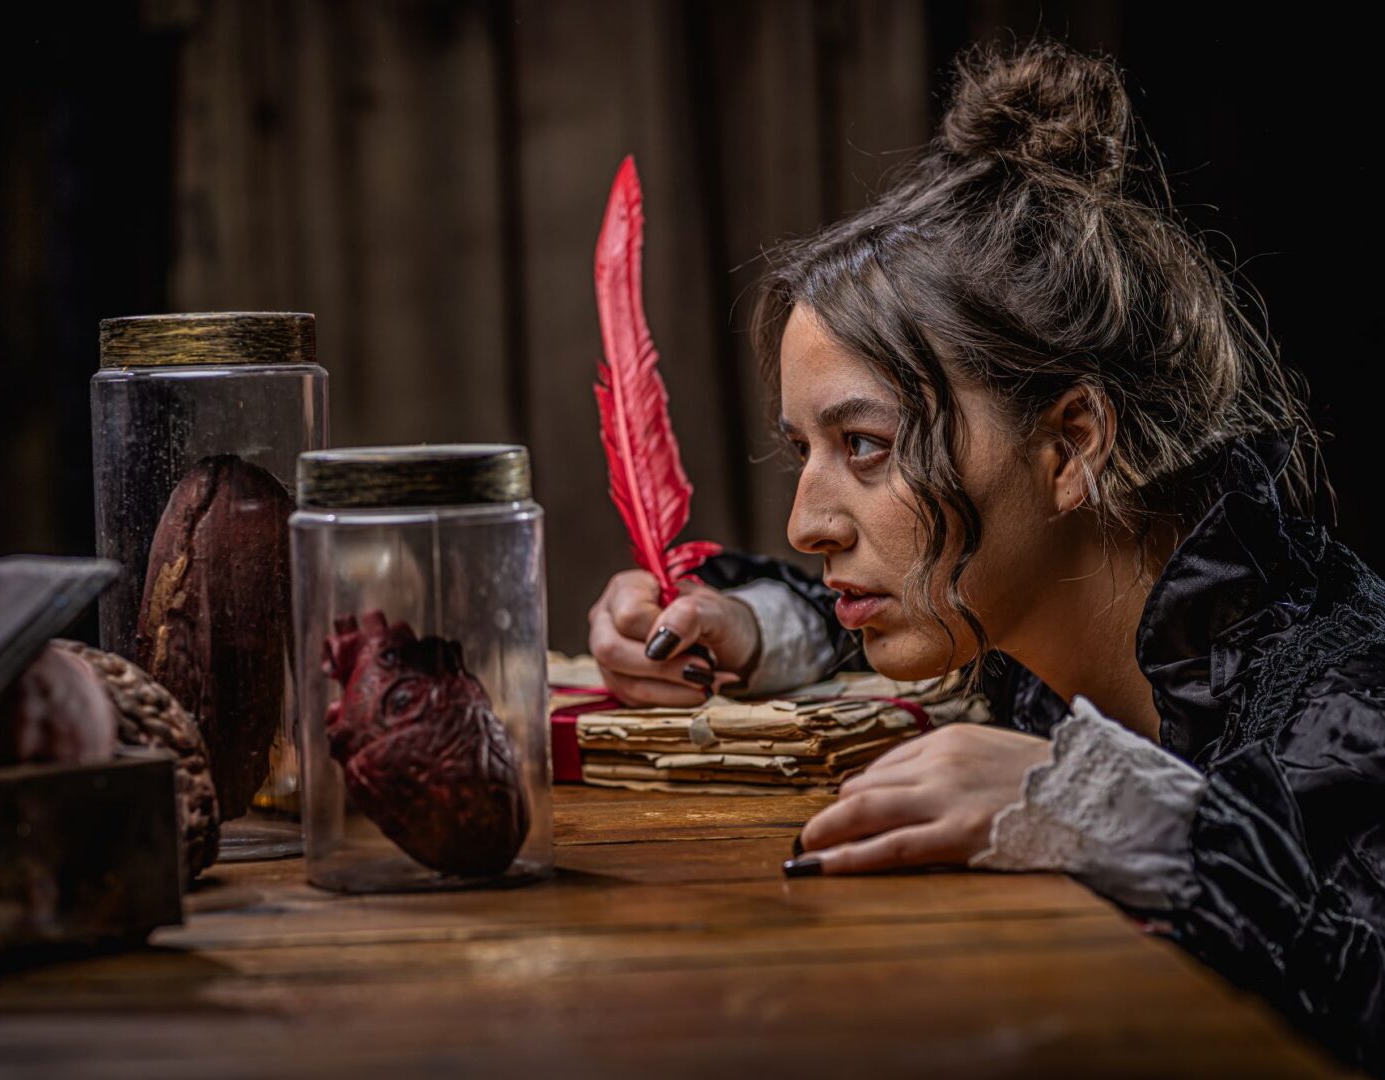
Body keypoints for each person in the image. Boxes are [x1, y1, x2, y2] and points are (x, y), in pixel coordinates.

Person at [586, 40, 1383, 1070]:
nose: (805, 525)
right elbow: (873, 610)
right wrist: (751, 625)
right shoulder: (1041, 647)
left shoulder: (1347, 705)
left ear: (1068, 445)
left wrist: (1107, 808)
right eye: (802, 452)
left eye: (862, 447)